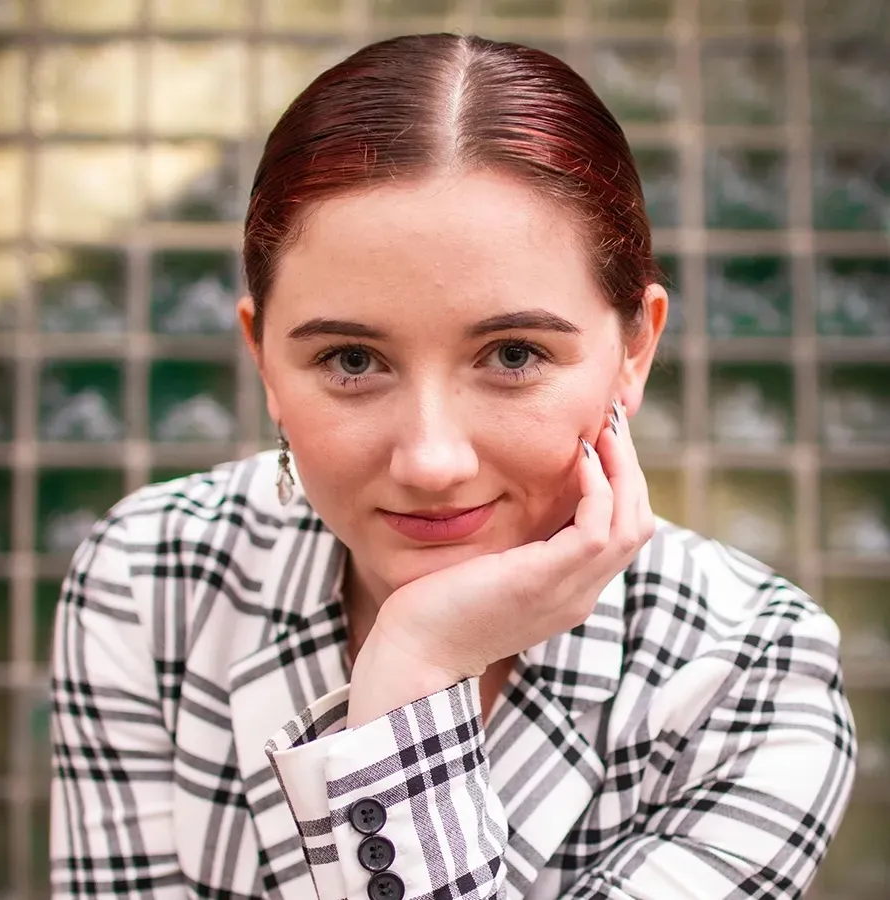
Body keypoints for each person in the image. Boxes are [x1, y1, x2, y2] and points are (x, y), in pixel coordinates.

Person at [50, 33, 856, 900]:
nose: (431, 461)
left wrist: (415, 672)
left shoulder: (751, 675)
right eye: (352, 362)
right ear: (263, 361)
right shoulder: (152, 576)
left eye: (513, 355)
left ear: (635, 349)